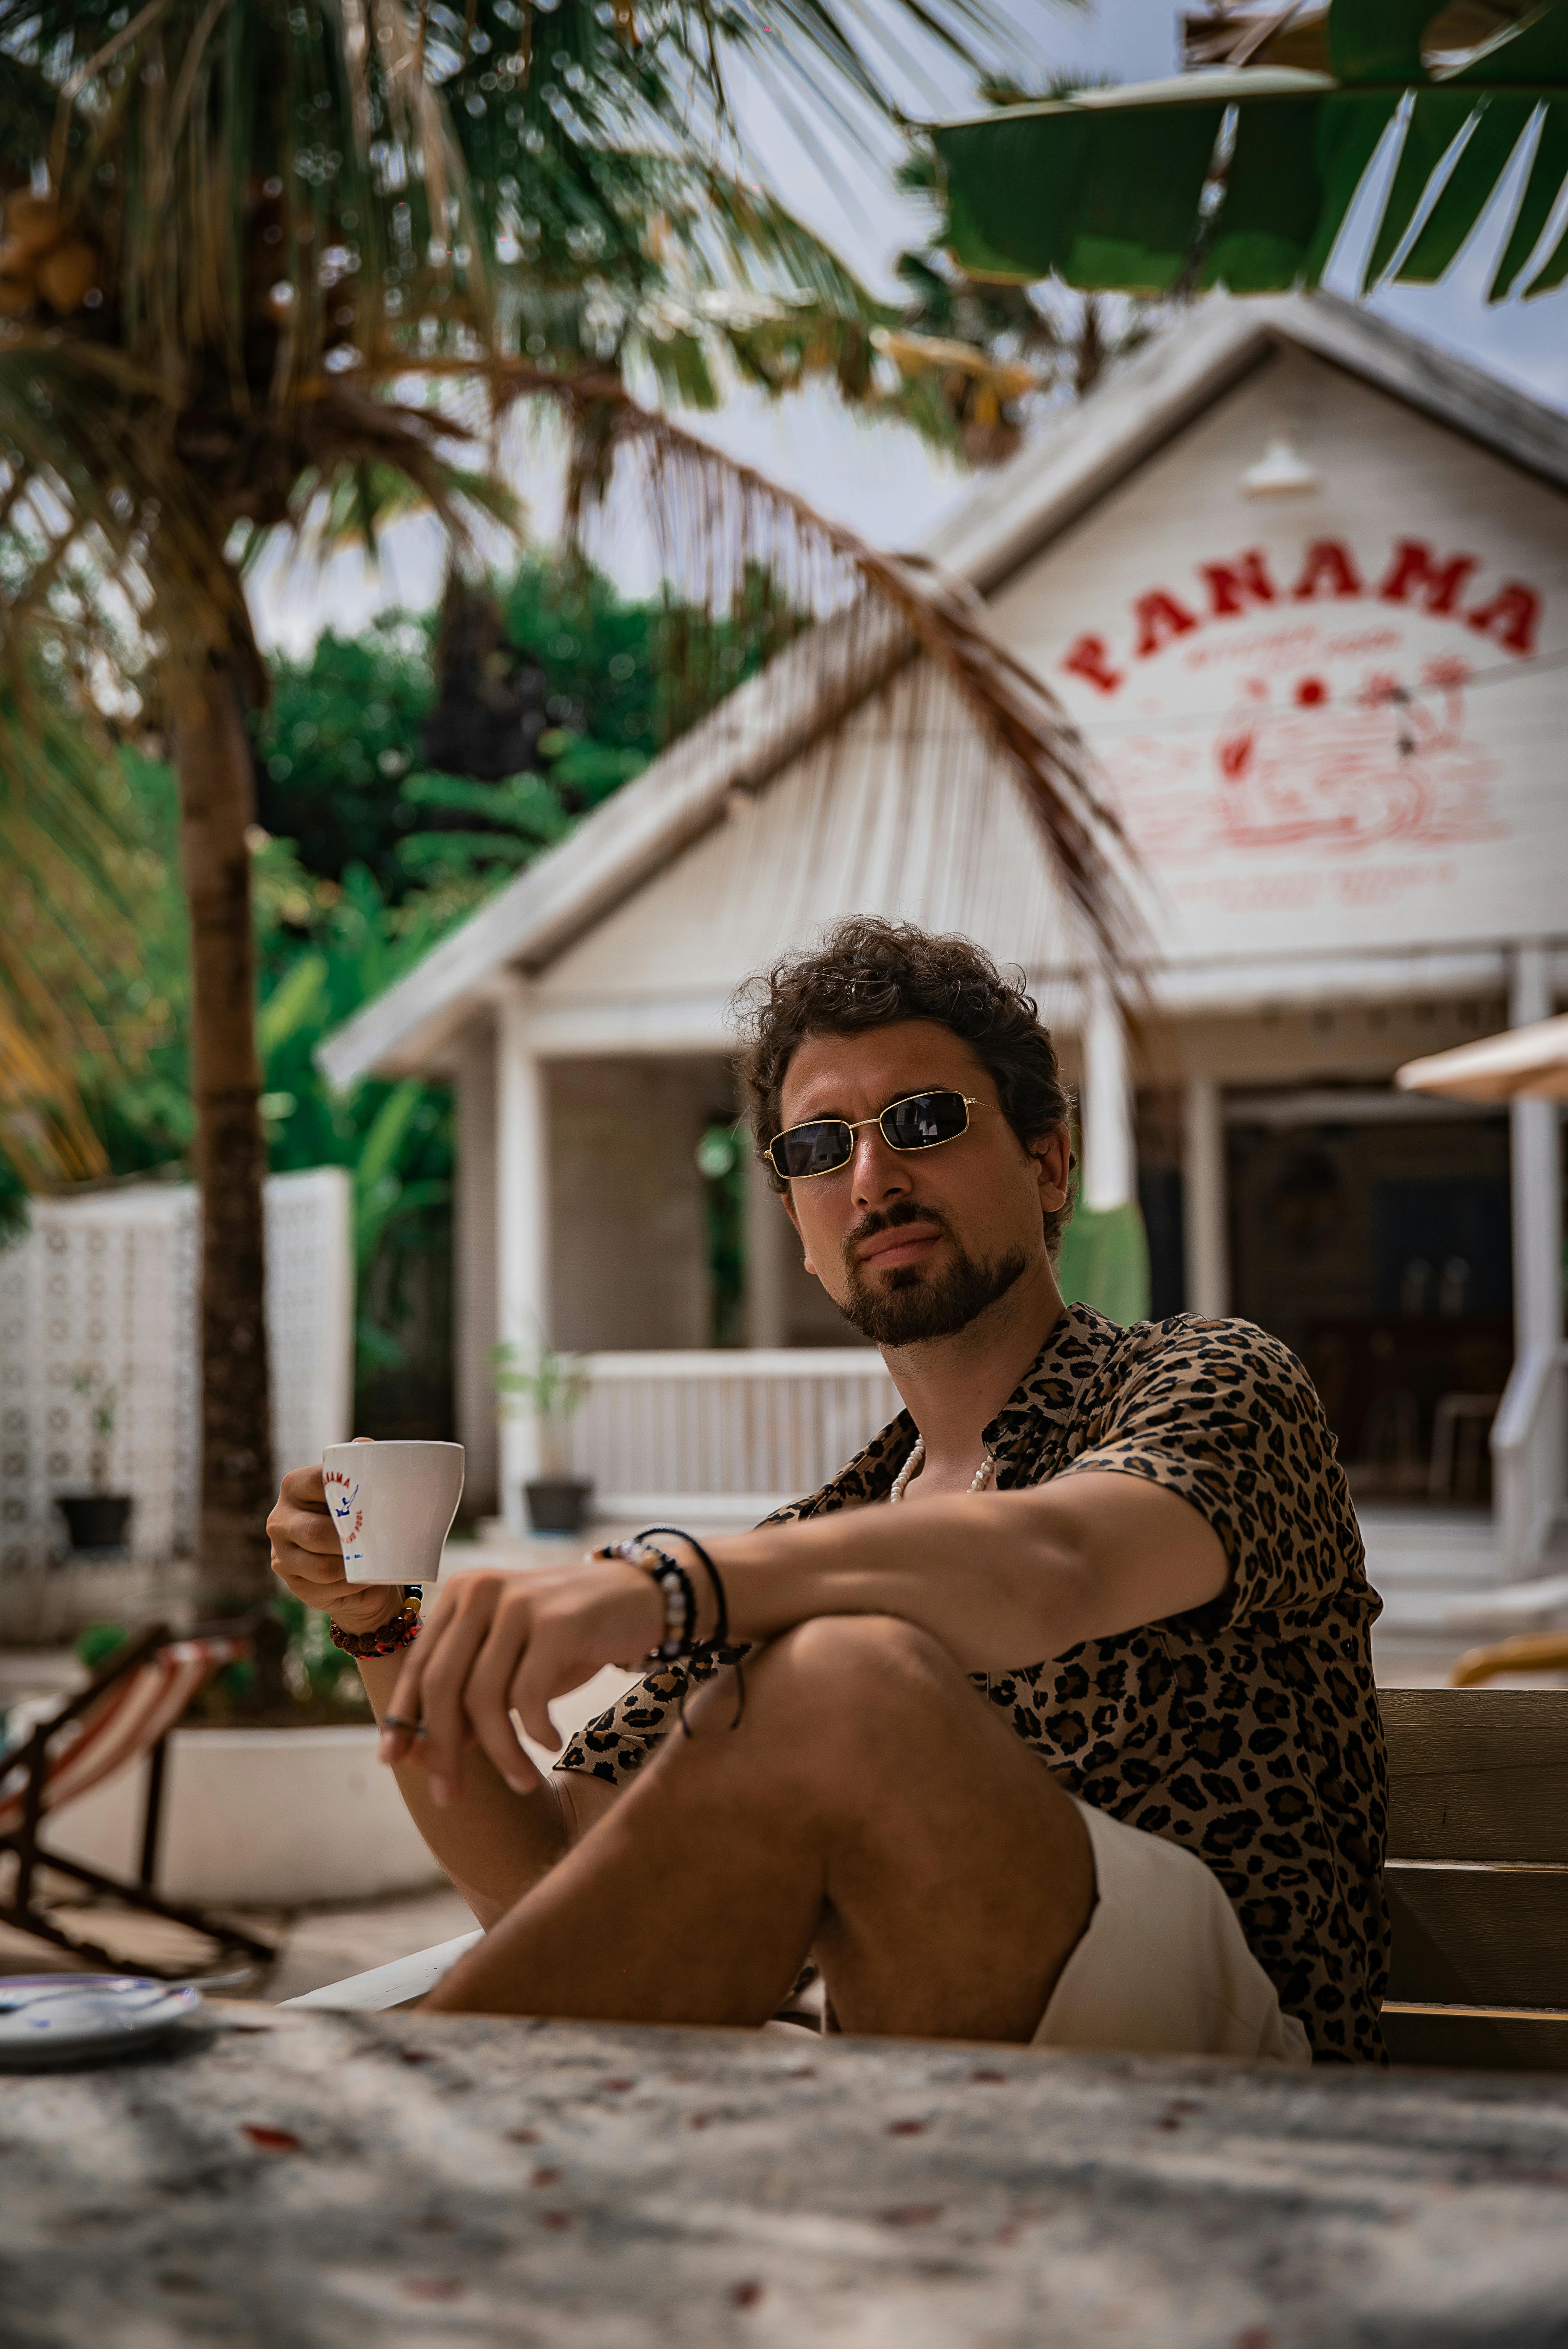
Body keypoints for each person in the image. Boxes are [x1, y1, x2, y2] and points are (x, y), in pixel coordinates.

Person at [268, 918, 1388, 2063]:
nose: (873, 1177)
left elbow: (1057, 1566)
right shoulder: (833, 1532)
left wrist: (661, 1588)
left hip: (1237, 2070)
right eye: (817, 1148)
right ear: (800, 1228)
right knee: (825, 1681)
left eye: (924, 1121)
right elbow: (564, 1887)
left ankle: (361, 2139)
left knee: (847, 1673)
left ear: (1048, 1164)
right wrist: (385, 1626)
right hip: (934, 2106)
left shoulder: (1216, 1384)